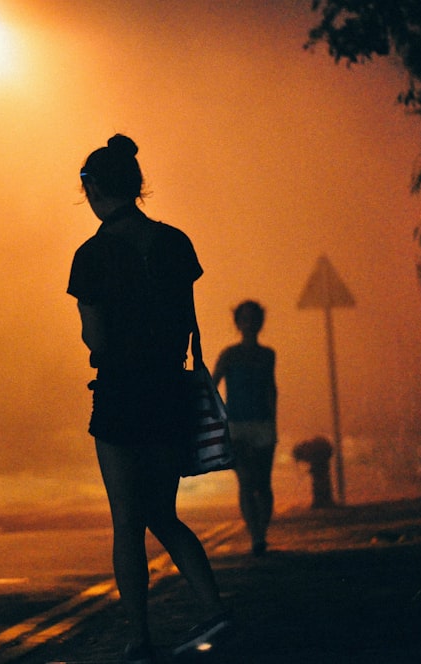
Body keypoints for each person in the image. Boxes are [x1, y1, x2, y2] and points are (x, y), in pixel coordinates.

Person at [67, 134, 233, 663]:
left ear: (92, 192)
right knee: (162, 511)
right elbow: (185, 319)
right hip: (168, 389)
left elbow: (96, 339)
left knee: (126, 520)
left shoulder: (91, 255)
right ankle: (214, 608)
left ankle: (139, 636)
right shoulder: (174, 242)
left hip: (120, 394)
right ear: (137, 186)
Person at [213, 300, 278, 555]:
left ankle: (261, 529)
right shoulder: (229, 355)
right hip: (237, 426)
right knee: (245, 481)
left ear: (260, 322)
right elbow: (213, 384)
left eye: (253, 318)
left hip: (263, 425)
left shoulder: (267, 355)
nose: (249, 323)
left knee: (263, 483)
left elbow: (272, 389)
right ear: (238, 323)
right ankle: (256, 535)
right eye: (245, 319)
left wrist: (274, 423)